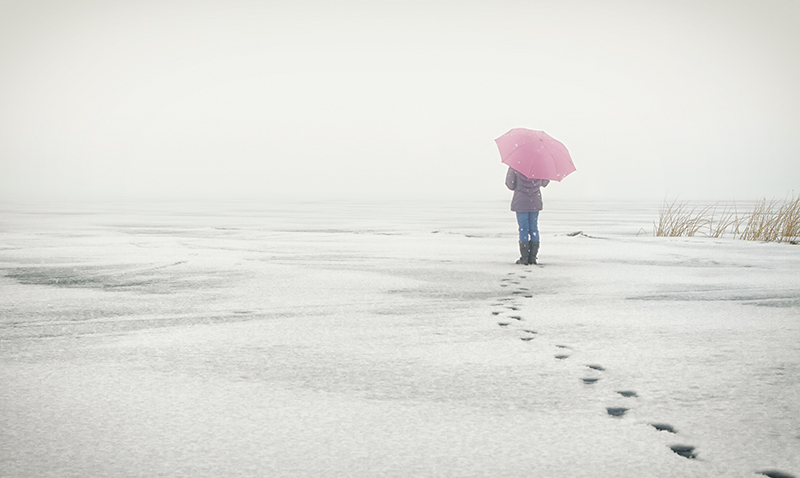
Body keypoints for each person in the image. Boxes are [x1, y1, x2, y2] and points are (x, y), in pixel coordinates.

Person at [505, 167, 549, 265]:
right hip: (534, 201)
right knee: (534, 229)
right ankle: (533, 257)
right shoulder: (540, 165)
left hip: (521, 202)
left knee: (523, 229)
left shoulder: (515, 165)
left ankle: (524, 257)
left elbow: (510, 185)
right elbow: (545, 182)